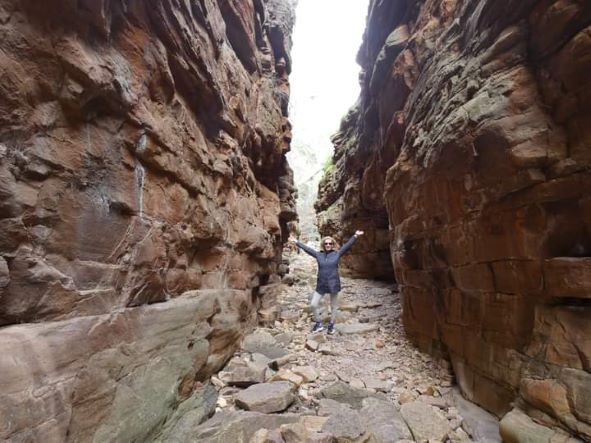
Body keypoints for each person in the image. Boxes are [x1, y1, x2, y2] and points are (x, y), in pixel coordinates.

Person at [289, 230, 364, 334]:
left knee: (333, 306)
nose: (328, 245)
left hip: (333, 284)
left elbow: (347, 246)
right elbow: (308, 250)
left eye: (330, 243)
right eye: (326, 243)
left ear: (333, 245)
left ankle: (331, 325)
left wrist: (355, 235)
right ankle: (318, 324)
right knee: (313, 304)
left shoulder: (337, 254)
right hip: (321, 284)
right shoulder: (319, 255)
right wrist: (297, 242)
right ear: (323, 245)